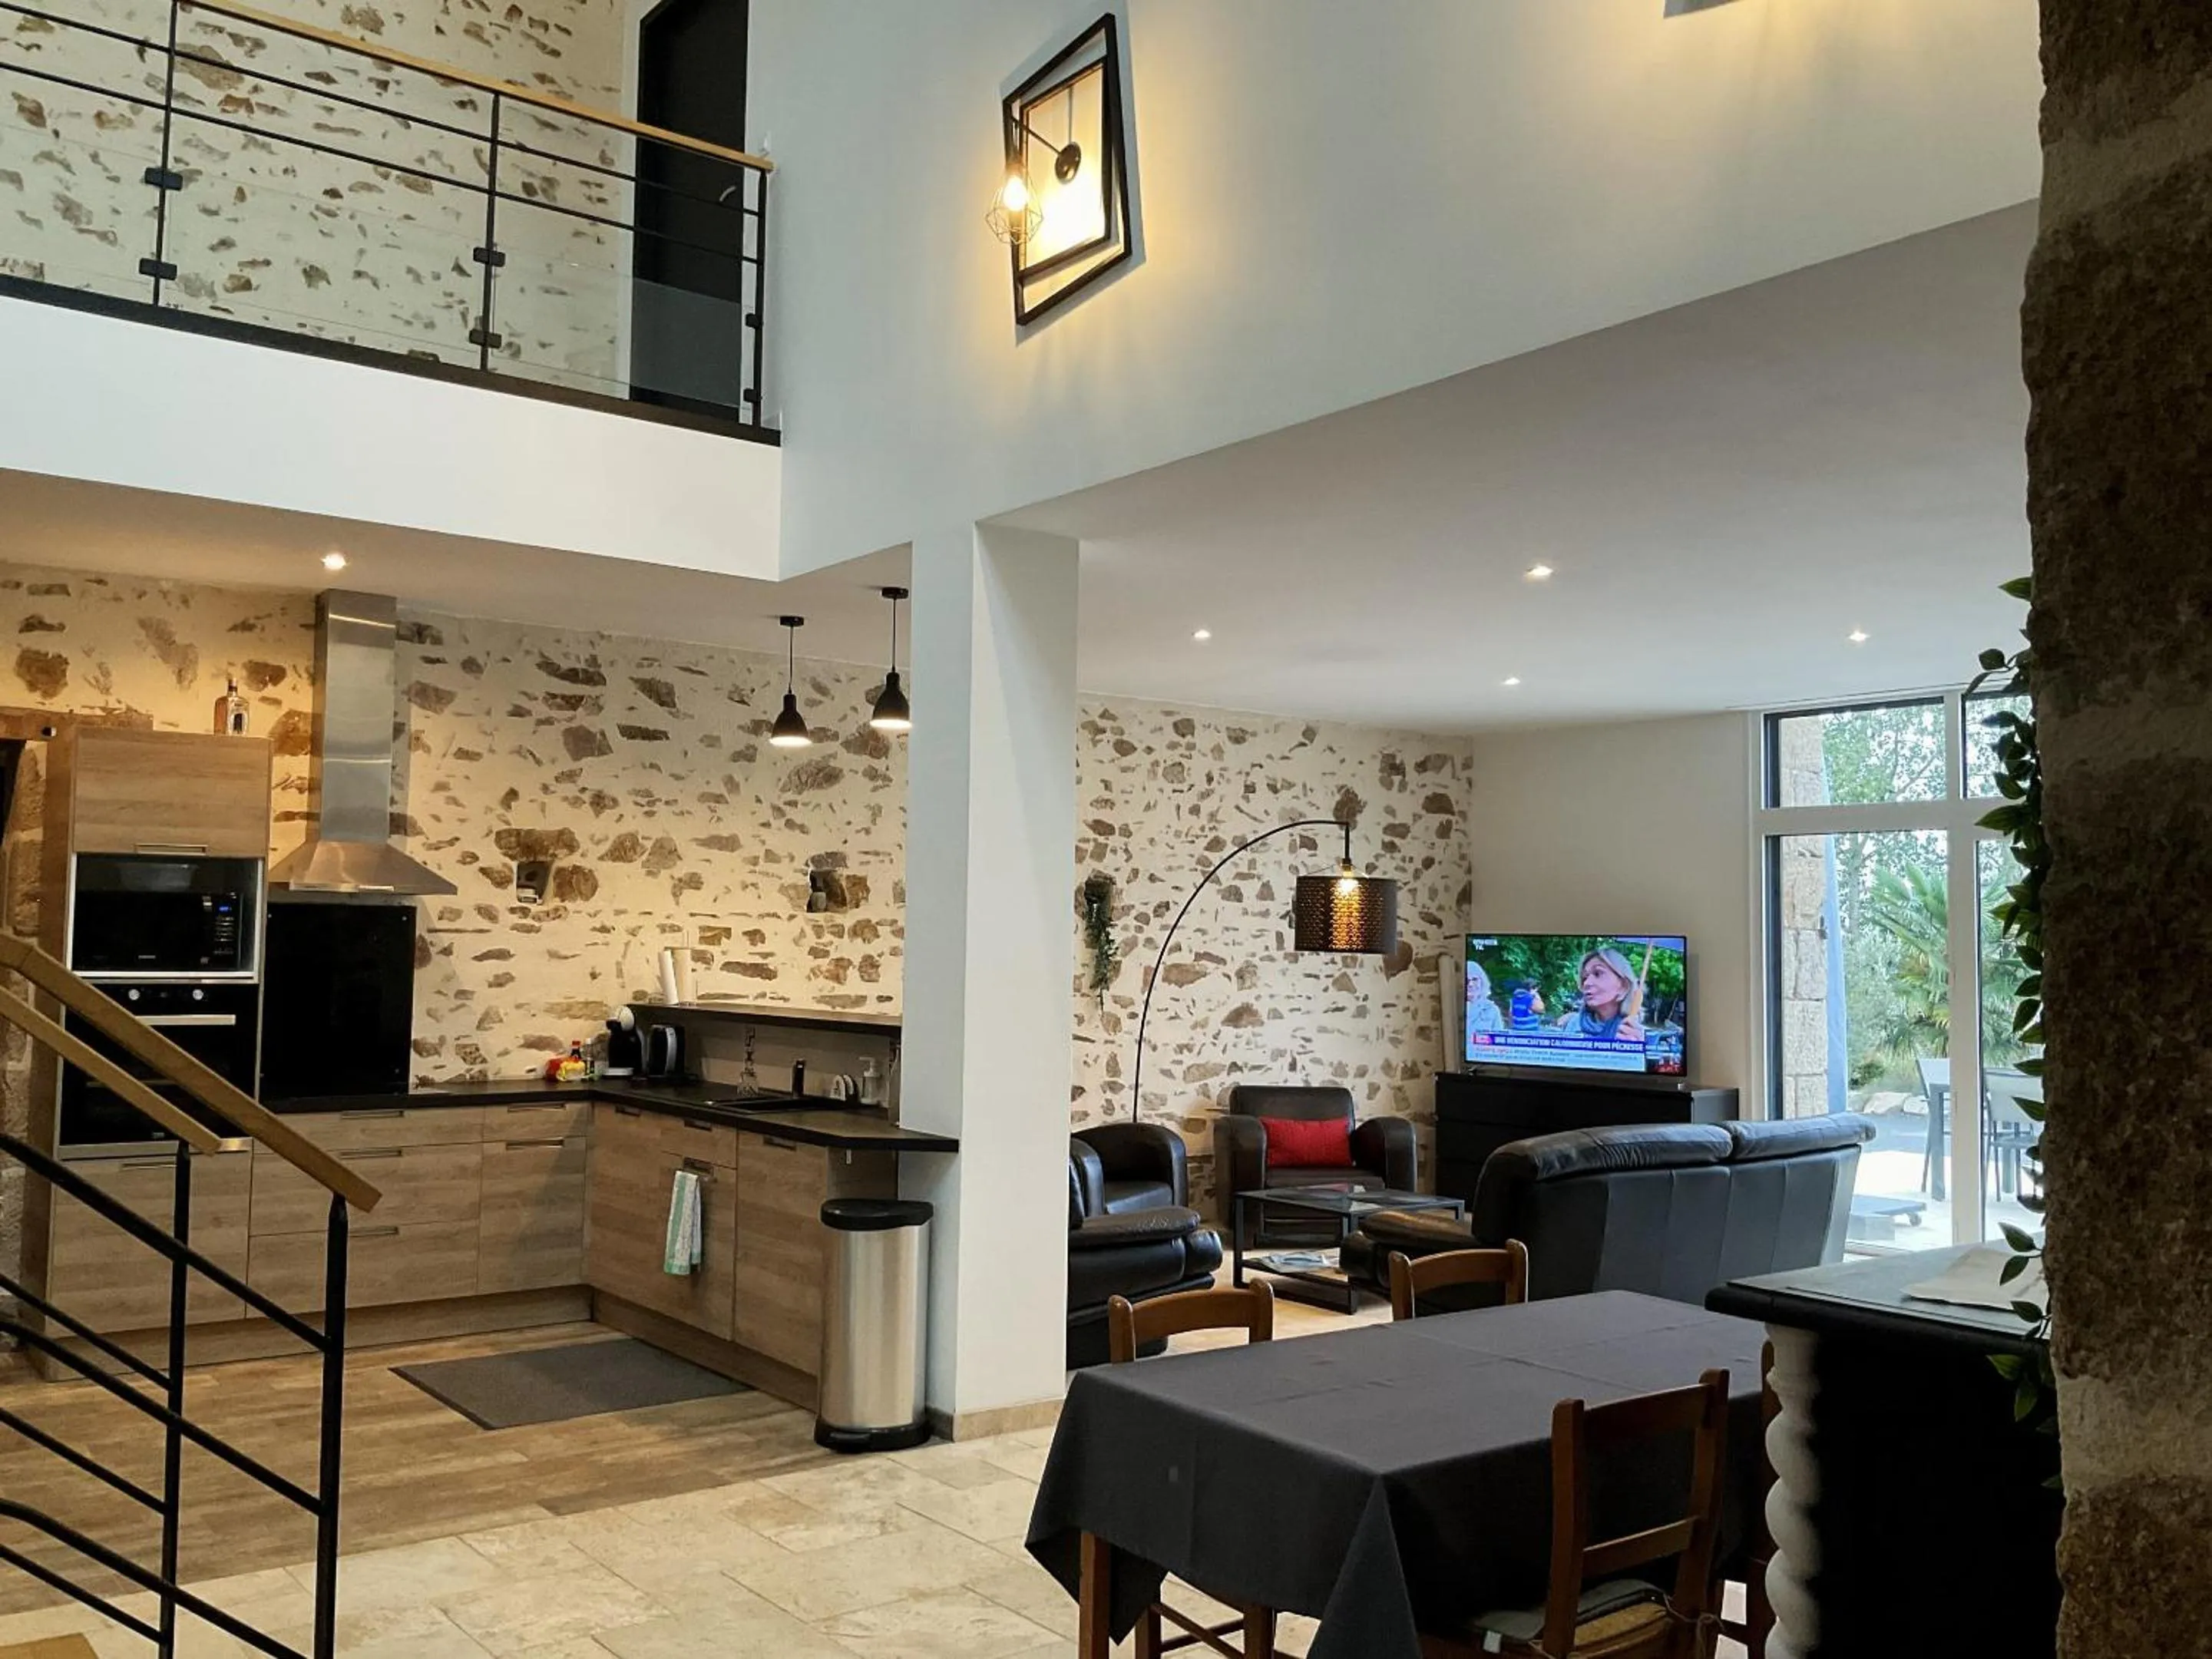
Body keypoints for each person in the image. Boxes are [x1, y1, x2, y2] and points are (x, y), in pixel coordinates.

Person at [1555, 947, 1645, 1045]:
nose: (1587, 983)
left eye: (1598, 974)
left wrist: (1636, 1052)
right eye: (1585, 977)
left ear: (1623, 986)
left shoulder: (1634, 1032)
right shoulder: (1572, 1024)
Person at [1466, 961, 1506, 1033]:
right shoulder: (1450, 1007)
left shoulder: (1492, 1010)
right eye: (1466, 980)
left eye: (1475, 979)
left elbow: (1498, 1039)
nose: (1471, 984)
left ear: (1482, 981)